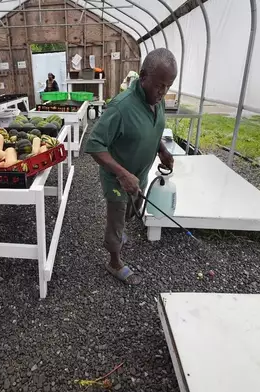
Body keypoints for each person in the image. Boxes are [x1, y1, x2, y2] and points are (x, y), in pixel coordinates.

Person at [85, 48, 177, 285]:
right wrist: (122, 174)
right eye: (159, 85)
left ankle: (118, 236)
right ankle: (114, 261)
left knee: (130, 211)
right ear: (143, 76)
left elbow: (152, 129)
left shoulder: (157, 101)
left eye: (168, 86)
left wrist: (162, 150)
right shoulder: (121, 107)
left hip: (140, 175)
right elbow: (94, 145)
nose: (163, 92)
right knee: (117, 216)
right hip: (118, 177)